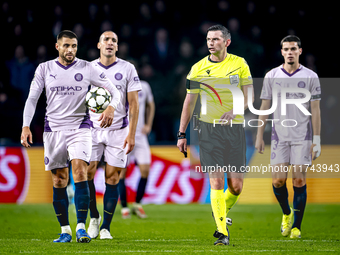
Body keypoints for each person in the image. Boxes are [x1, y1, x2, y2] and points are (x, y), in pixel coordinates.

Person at [20, 30, 121, 243]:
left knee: (80, 172)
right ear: (57, 46)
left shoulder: (87, 68)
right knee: (59, 179)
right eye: (66, 46)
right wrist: (25, 126)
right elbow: (32, 99)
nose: (70, 50)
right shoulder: (45, 68)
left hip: (80, 129)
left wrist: (111, 107)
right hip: (54, 130)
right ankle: (65, 230)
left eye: (74, 46)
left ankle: (82, 228)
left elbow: (115, 91)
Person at [177, 24, 254, 245]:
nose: (211, 43)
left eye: (216, 39)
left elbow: (249, 96)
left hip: (235, 130)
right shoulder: (198, 69)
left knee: (236, 187)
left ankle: (219, 210)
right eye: (209, 39)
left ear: (227, 42)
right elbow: (189, 102)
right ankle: (222, 232)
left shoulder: (239, 64)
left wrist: (236, 110)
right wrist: (181, 134)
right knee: (217, 180)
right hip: (209, 131)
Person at [255, 35, 321, 239]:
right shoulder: (272, 75)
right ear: (282, 52)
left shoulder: (311, 76)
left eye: (293, 49)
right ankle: (286, 213)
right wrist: (259, 135)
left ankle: (296, 227)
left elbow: (316, 110)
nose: (290, 52)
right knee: (277, 181)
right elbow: (264, 106)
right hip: (279, 136)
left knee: (299, 180)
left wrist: (317, 140)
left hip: (303, 136)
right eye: (286, 49)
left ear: (300, 51)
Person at [86, 31, 141, 239]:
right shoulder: (88, 68)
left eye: (114, 41)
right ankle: (94, 217)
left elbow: (134, 104)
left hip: (118, 131)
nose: (110, 43)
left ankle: (106, 228)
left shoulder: (127, 68)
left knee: (113, 177)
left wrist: (132, 134)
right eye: (106, 40)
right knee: (88, 173)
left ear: (117, 47)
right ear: (99, 45)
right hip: (92, 130)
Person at [119, 74, 155, 219]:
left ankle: (137, 205)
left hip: (140, 136)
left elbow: (151, 104)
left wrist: (148, 124)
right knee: (121, 173)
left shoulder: (144, 86)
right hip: (123, 136)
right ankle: (124, 207)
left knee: (145, 170)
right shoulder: (119, 86)